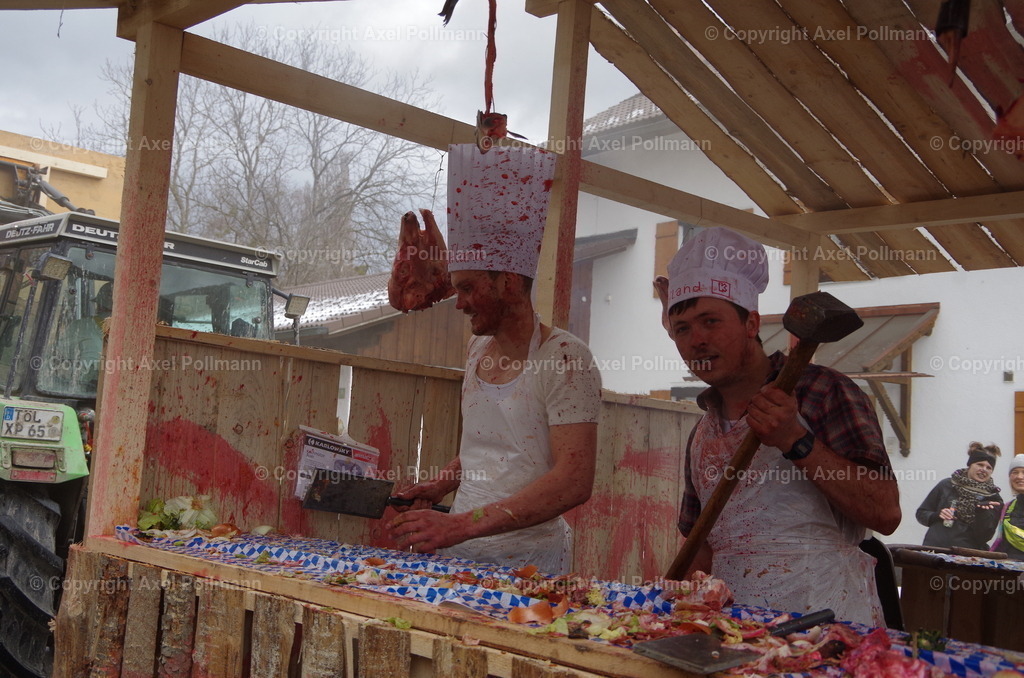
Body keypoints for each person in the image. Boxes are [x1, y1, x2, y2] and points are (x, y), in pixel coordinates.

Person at [658, 227, 901, 627]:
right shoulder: (702, 433)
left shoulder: (822, 391)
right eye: (683, 328)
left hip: (827, 629)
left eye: (710, 321)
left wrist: (797, 439)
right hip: (733, 634)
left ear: (751, 322)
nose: (697, 340)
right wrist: (672, 608)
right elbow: (702, 549)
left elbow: (886, 512)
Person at [388, 144, 602, 574]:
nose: (458, 303)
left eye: (467, 289)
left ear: (505, 282)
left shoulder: (566, 359)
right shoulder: (477, 350)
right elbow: (493, 451)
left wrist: (461, 526)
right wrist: (439, 485)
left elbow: (574, 483)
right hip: (461, 556)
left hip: (530, 565)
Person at [916, 443, 1004, 551]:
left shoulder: (993, 498)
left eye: (989, 467)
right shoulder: (947, 485)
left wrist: (981, 513)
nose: (984, 469)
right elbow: (921, 513)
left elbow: (985, 536)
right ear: (970, 464)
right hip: (934, 550)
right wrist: (937, 515)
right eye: (980, 464)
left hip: (967, 556)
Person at [992, 454, 1024, 560]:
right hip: (1010, 570)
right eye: (1015, 472)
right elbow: (1002, 543)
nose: (1019, 476)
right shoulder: (1008, 507)